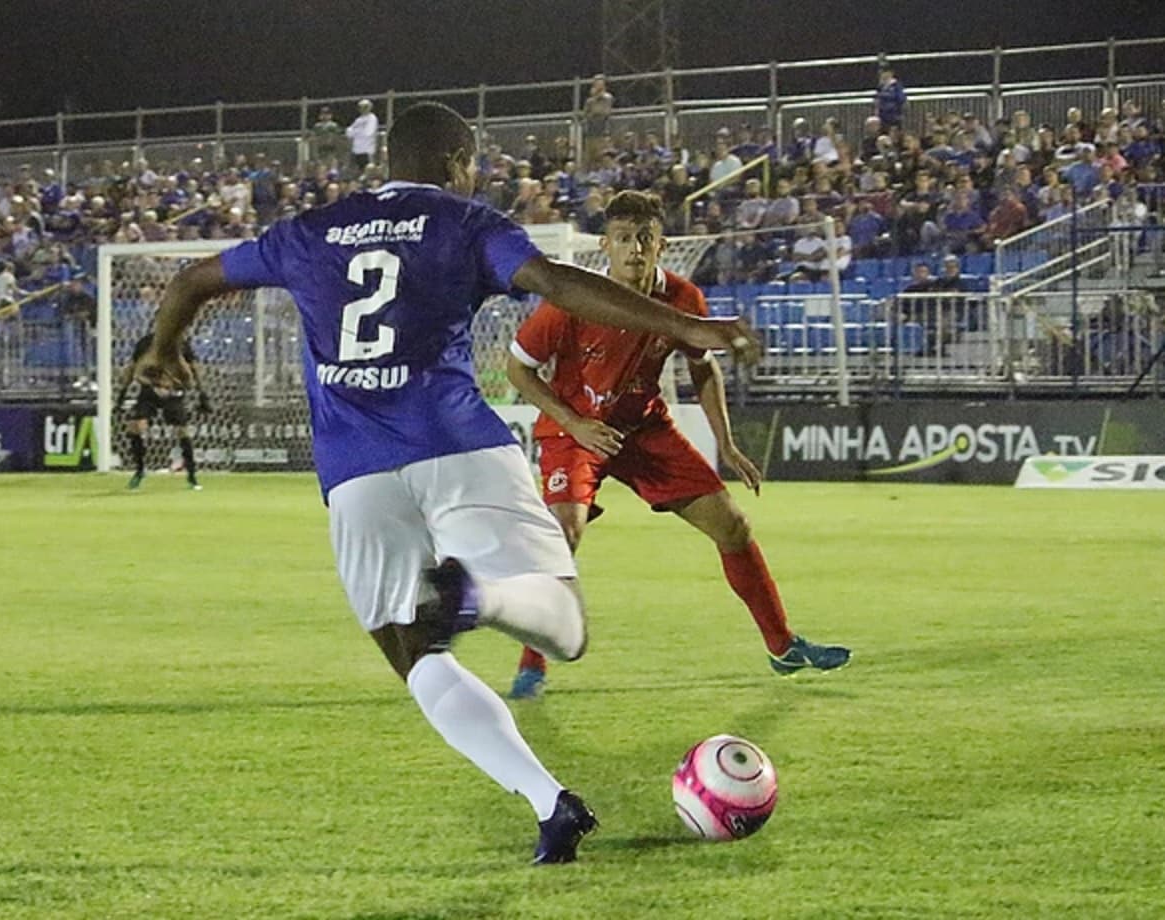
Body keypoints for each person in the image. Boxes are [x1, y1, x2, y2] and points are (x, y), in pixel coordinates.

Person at [135, 101, 757, 865]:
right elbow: (555, 282)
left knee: (415, 652)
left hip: (354, 475)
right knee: (564, 624)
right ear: (460, 162)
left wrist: (164, 351)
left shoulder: (310, 231)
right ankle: (479, 597)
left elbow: (194, 279)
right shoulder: (463, 221)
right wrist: (685, 326)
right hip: (456, 443)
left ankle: (547, 802)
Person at [501, 191, 850, 699]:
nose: (635, 250)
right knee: (564, 533)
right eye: (624, 239)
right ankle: (533, 664)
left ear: (661, 244)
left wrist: (725, 443)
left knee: (732, 525)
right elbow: (519, 369)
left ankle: (783, 646)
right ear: (605, 245)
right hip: (576, 429)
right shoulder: (573, 298)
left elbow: (702, 366)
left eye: (645, 239)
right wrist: (574, 425)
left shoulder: (684, 299)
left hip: (644, 429)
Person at [119, 329, 210, 491]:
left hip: (173, 393)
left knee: (182, 431)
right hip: (149, 392)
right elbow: (133, 369)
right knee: (135, 427)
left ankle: (192, 476)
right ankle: (139, 471)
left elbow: (193, 369)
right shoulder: (146, 343)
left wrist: (202, 393)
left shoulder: (181, 345)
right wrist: (123, 393)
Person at [346, 99, 380, 173]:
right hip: (356, 151)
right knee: (357, 172)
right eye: (361, 107)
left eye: (366, 107)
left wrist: (355, 132)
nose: (363, 109)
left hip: (367, 151)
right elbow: (348, 132)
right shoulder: (358, 120)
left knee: (368, 172)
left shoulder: (372, 118)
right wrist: (360, 131)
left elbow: (368, 132)